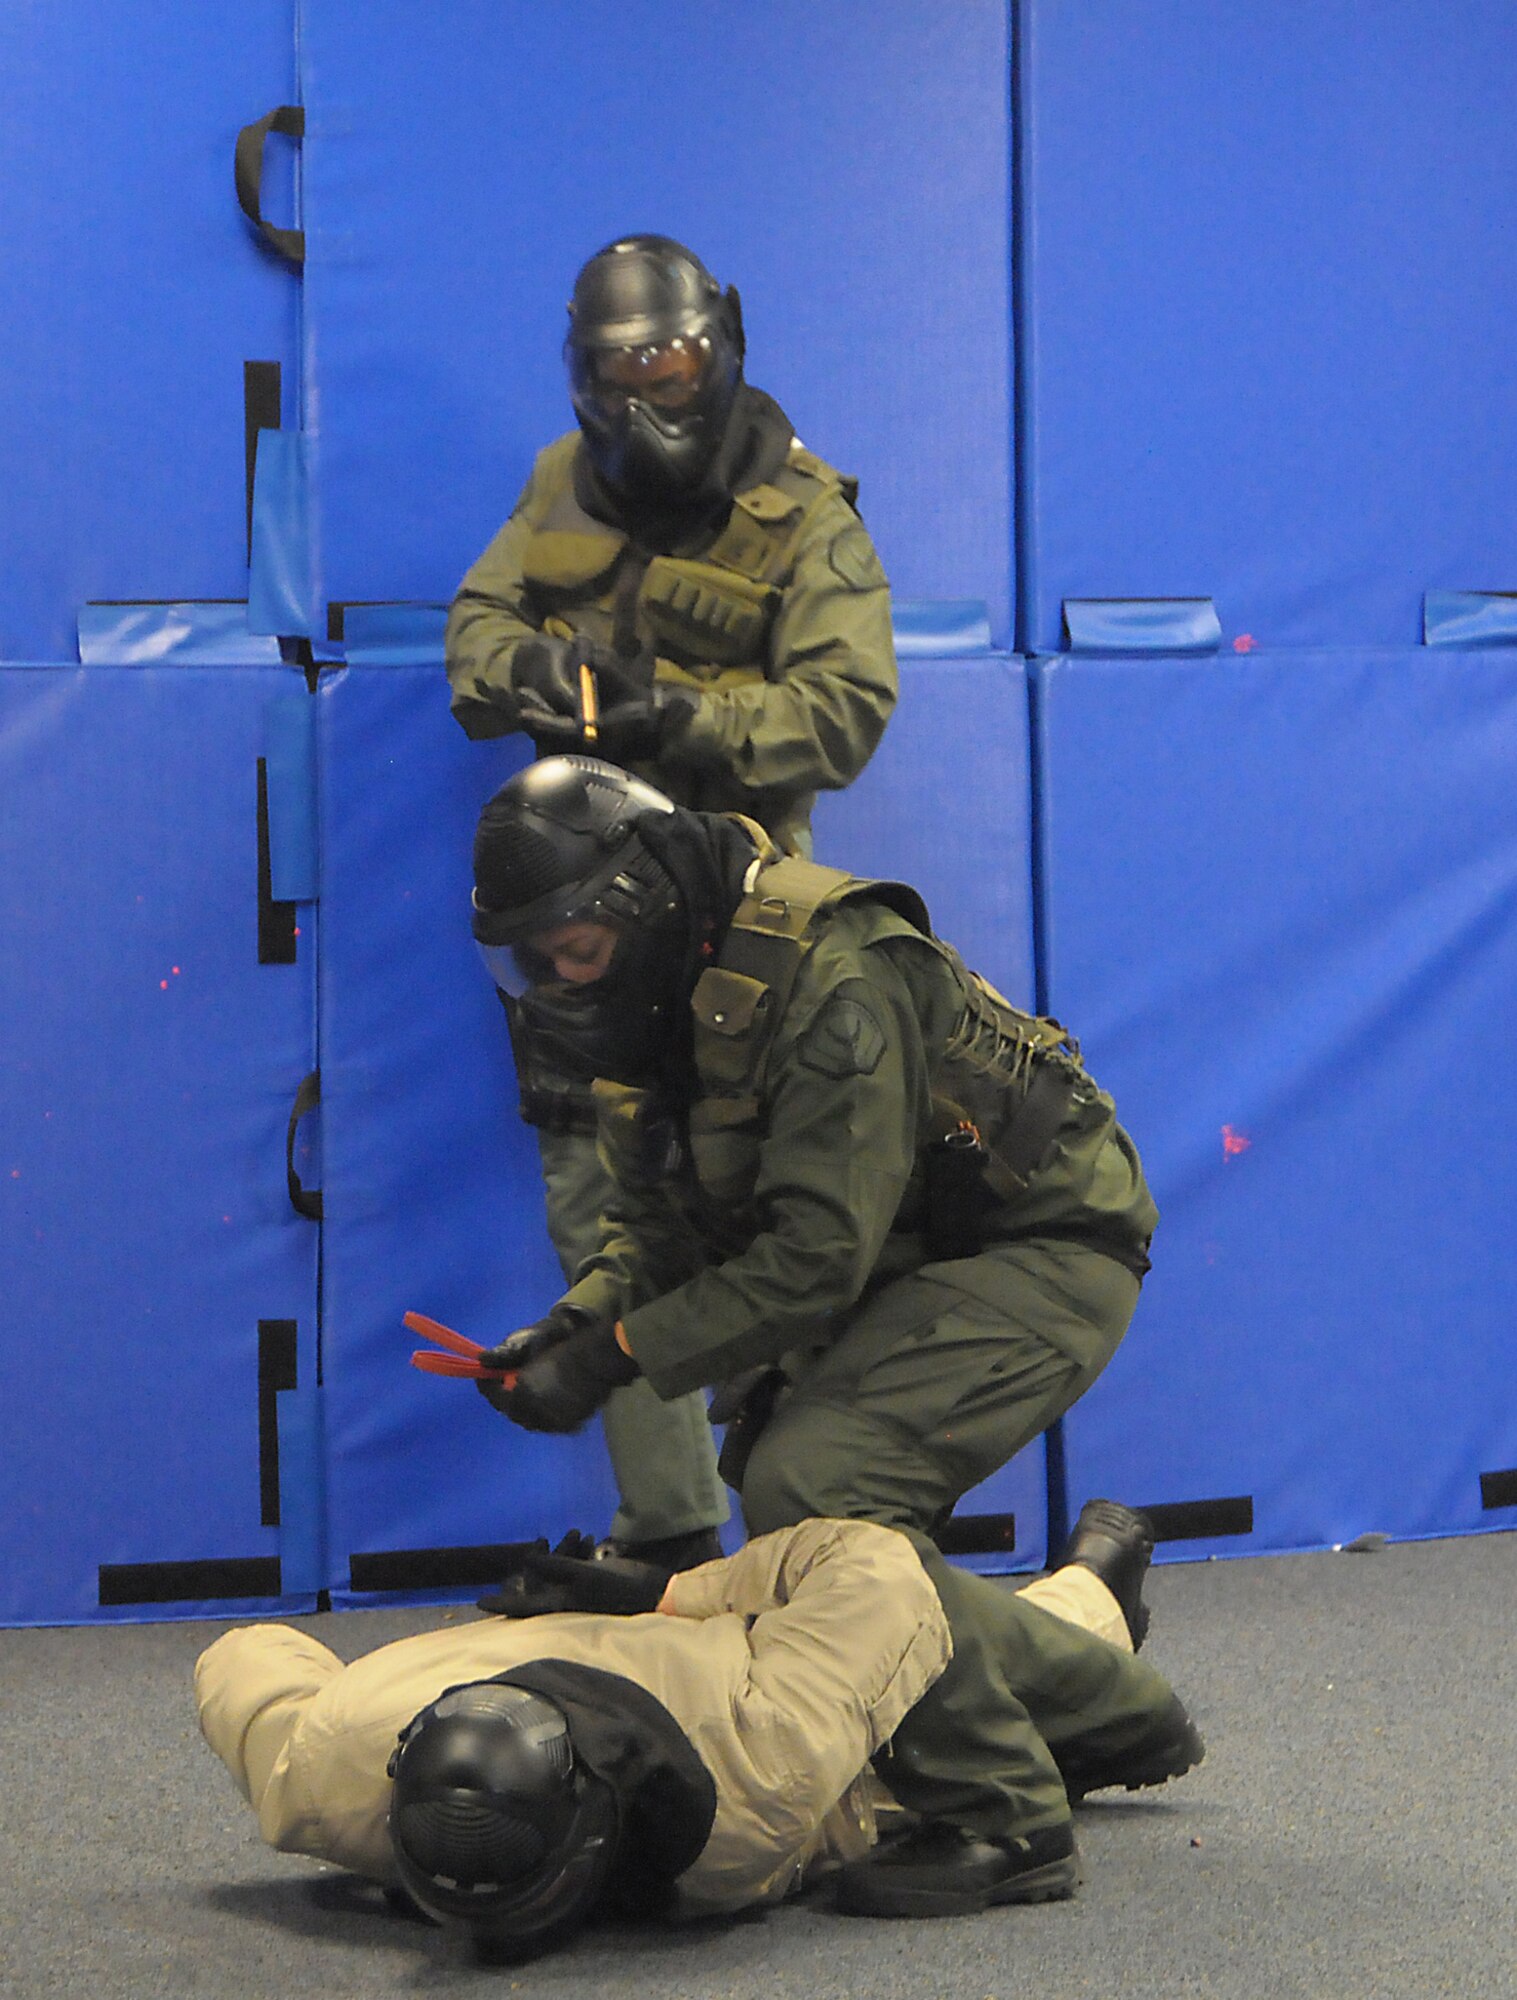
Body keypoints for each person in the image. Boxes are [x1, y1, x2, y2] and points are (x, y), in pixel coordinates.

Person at [462, 755, 1165, 1910]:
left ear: (635, 900)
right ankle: (1108, 1704)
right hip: (908, 1260)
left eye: (570, 942)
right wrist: (578, 1321)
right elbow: (656, 1229)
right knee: (813, 1517)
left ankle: (1005, 1818)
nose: (554, 975)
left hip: (1043, 1246)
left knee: (817, 1483)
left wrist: (620, 1357)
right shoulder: (647, 1006)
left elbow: (810, 1260)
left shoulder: (828, 971)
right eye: (529, 954)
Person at [444, 234, 899, 1573]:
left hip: (739, 919)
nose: (657, 389)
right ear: (585, 375)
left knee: (783, 1218)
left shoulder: (806, 509)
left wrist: (682, 716)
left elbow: (845, 710)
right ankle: (670, 1540)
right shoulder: (555, 482)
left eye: (678, 357)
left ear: (721, 349)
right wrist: (521, 663)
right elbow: (472, 630)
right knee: (603, 1212)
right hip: (581, 921)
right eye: (627, 364)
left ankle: (819, 1547)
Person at [196, 1508, 1201, 1959]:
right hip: (559, 1651)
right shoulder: (331, 1763)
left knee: (937, 1637)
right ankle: (1087, 1587)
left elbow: (877, 1565)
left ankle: (1094, 1625)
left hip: (742, 1662)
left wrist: (669, 1588)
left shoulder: (759, 1777)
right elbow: (240, 1654)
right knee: (927, 1636)